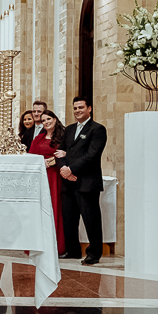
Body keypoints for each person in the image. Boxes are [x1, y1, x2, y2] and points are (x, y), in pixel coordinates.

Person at [58, 96, 106, 265]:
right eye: (75, 108)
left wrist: (70, 168)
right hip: (68, 182)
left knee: (91, 220)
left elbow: (91, 155)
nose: (77, 111)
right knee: (69, 219)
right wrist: (63, 170)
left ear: (89, 109)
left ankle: (94, 254)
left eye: (81, 107)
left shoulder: (97, 129)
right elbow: (60, 152)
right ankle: (73, 250)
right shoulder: (69, 129)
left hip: (87, 182)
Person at [30, 110, 68, 258]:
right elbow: (31, 156)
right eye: (43, 120)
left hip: (55, 176)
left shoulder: (63, 136)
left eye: (48, 119)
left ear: (55, 119)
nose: (46, 122)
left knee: (55, 207)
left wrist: (53, 161)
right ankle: (40, 243)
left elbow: (67, 153)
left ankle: (56, 245)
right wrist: (41, 162)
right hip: (41, 176)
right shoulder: (38, 138)